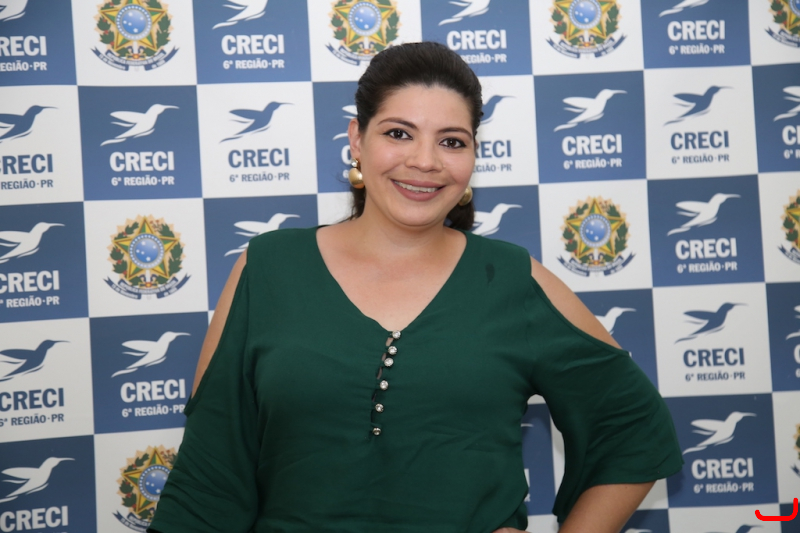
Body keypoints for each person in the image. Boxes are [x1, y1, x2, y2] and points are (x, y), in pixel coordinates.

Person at [149, 41, 682, 533]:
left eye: (451, 141)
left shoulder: (512, 280)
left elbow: (633, 430)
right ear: (357, 140)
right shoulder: (268, 268)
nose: (425, 161)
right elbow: (209, 476)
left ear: (473, 157)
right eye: (398, 133)